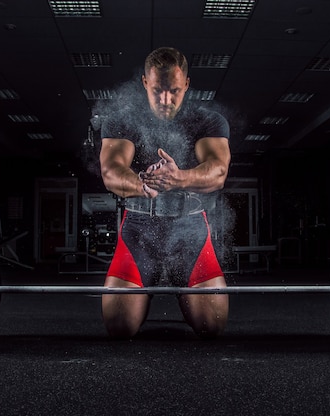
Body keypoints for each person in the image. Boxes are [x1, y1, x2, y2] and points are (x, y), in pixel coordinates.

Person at [99, 47, 231, 339]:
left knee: (214, 323)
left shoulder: (207, 121)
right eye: (158, 90)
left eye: (174, 90)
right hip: (139, 230)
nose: (166, 99)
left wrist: (178, 178)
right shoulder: (122, 121)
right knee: (119, 325)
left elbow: (218, 171)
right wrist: (141, 185)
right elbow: (111, 170)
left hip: (190, 231)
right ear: (145, 82)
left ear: (186, 84)